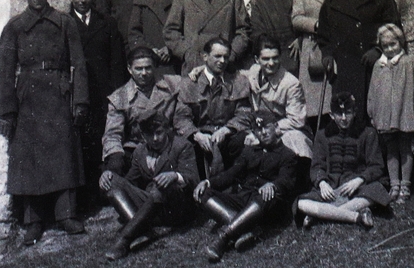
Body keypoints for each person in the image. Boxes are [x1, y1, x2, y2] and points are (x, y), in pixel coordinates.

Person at [0, 0, 89, 244]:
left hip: (59, 92)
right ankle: (33, 220)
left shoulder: (64, 22)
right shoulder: (14, 27)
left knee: (64, 152)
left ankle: (66, 214)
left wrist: (80, 101)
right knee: (29, 157)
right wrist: (8, 112)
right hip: (28, 96)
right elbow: (5, 72)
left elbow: (78, 64)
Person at [196, 119, 301, 263]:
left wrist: (273, 185)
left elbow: (286, 180)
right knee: (203, 193)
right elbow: (231, 173)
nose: (263, 133)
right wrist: (208, 182)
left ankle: (224, 237)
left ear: (276, 127)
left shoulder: (288, 154)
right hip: (245, 199)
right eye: (258, 130)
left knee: (266, 194)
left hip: (269, 206)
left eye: (267, 127)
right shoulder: (249, 151)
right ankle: (249, 229)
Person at [101, 112, 199, 260]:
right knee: (113, 181)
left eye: (159, 132)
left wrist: (175, 176)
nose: (155, 139)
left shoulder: (182, 146)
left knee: (161, 188)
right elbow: (130, 182)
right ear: (142, 135)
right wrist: (107, 176)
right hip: (152, 206)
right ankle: (143, 230)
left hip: (177, 208)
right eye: (149, 134)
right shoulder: (140, 151)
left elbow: (194, 179)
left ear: (166, 129)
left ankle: (125, 239)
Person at [316, 0, 400, 108]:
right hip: (341, 66)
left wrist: (378, 50)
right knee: (345, 111)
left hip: (370, 65)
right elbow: (324, 29)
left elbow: (393, 27)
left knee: (370, 110)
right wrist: (327, 54)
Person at [70, 0, 125, 212]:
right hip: (78, 94)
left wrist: (116, 94)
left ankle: (104, 193)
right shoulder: (65, 23)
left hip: (103, 93)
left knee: (102, 141)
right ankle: (83, 197)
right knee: (80, 143)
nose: (83, 0)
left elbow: (117, 61)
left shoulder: (107, 22)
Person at [295, 92, 389, 229]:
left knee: (376, 190)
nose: (344, 118)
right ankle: (355, 216)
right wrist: (322, 183)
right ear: (332, 115)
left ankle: (320, 214)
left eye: (348, 113)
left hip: (357, 188)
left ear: (355, 113)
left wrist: (359, 180)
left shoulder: (368, 133)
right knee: (301, 203)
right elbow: (316, 167)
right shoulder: (322, 135)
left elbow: (376, 166)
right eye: (339, 114)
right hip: (331, 188)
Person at [104, 48, 194, 181]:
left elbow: (194, 82)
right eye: (138, 69)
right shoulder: (120, 98)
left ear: (155, 67)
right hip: (138, 149)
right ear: (129, 69)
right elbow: (112, 134)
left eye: (148, 68)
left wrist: (198, 71)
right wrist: (115, 155)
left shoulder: (172, 84)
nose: (144, 73)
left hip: (168, 145)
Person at [366, 23, 414, 203]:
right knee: (391, 149)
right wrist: (372, 112)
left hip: (404, 111)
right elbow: (372, 91)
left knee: (405, 148)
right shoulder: (379, 65)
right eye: (386, 46)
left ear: (400, 42)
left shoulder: (409, 62)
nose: (390, 49)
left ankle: (405, 185)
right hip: (385, 113)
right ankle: (394, 184)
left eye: (393, 44)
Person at [180, 39, 253, 178]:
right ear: (205, 56)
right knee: (183, 145)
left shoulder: (239, 81)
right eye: (217, 56)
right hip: (199, 136)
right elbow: (181, 117)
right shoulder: (189, 84)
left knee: (243, 142)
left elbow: (244, 113)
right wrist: (196, 135)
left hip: (227, 135)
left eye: (226, 57)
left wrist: (227, 130)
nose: (222, 61)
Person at [238, 37, 311, 161]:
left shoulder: (291, 84)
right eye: (266, 59)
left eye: (275, 58)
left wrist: (267, 131)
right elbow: (238, 74)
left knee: (291, 147)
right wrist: (204, 69)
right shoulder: (254, 71)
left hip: (286, 131)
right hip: (260, 128)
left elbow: (296, 120)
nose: (271, 63)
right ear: (256, 59)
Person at [291, 0, 337, 124]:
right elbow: (296, 18)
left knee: (338, 96)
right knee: (315, 102)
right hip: (313, 47)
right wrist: (317, 25)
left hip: (339, 45)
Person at [247, 0, 301, 77]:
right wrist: (266, 45)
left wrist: (301, 39)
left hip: (296, 50)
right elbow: (257, 23)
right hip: (271, 53)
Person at [127, 0, 180, 71]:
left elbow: (190, 30)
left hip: (178, 61)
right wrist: (149, 50)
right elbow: (134, 33)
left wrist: (171, 48)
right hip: (151, 63)